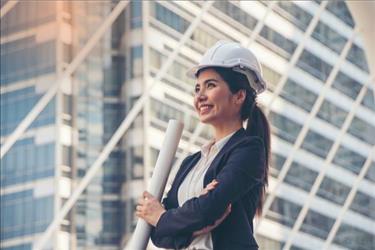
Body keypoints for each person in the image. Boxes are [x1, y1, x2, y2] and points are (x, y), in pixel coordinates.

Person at [136, 41, 271, 250]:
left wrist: (166, 218)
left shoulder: (249, 150)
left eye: (211, 85)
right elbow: (158, 235)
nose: (199, 96)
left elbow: (207, 209)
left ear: (239, 96)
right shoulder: (192, 162)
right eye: (197, 88)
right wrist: (192, 224)